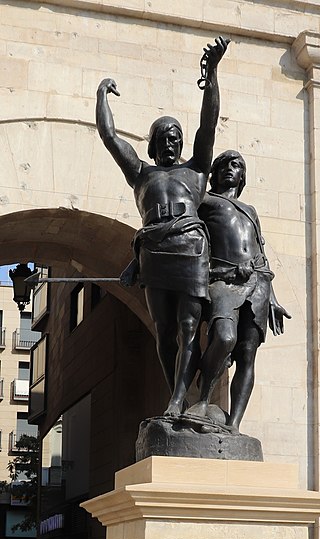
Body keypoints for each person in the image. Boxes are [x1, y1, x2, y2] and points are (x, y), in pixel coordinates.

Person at [96, 37, 229, 416]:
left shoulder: (197, 169)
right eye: (163, 138)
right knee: (165, 331)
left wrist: (213, 72)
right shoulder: (141, 173)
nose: (171, 143)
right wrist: (102, 94)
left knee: (190, 325)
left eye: (176, 138)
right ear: (153, 145)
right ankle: (179, 395)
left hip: (190, 247)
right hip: (154, 251)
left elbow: (209, 121)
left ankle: (174, 403)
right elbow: (109, 137)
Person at [187, 150, 291, 432]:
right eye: (224, 165)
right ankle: (204, 397)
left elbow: (262, 256)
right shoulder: (205, 201)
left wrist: (273, 298)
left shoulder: (251, 211)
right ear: (215, 173)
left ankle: (234, 424)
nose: (230, 169)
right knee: (223, 336)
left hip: (257, 285)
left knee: (247, 354)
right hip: (224, 280)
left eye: (237, 166)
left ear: (242, 175)